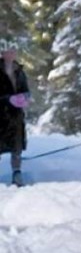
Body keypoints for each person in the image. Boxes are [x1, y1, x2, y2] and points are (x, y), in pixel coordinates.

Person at [0, 39, 30, 187]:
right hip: (1, 116)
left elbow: (26, 90)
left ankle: (17, 174)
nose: (11, 54)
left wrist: (25, 98)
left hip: (16, 116)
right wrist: (8, 99)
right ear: (3, 53)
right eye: (8, 51)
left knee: (16, 147)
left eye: (13, 51)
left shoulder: (20, 71)